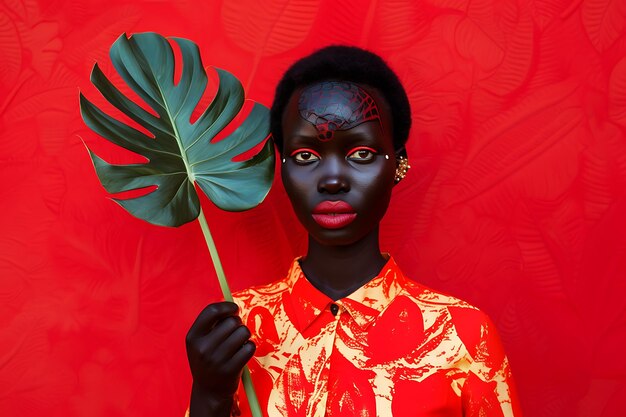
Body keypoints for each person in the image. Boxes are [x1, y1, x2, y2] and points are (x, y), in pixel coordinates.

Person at [186, 46, 522, 417]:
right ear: (281, 168)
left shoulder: (463, 335)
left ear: (398, 164)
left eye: (360, 154)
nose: (331, 180)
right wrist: (209, 397)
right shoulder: (237, 328)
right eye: (305, 157)